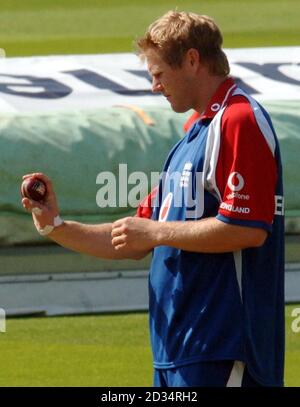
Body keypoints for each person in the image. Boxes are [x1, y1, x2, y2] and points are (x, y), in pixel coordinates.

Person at [22, 11, 285, 387]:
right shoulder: (193, 133)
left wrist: (156, 232)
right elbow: (131, 239)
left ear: (193, 60)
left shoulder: (238, 120)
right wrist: (54, 224)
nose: (154, 87)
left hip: (223, 348)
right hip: (178, 351)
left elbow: (246, 229)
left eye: (159, 74)